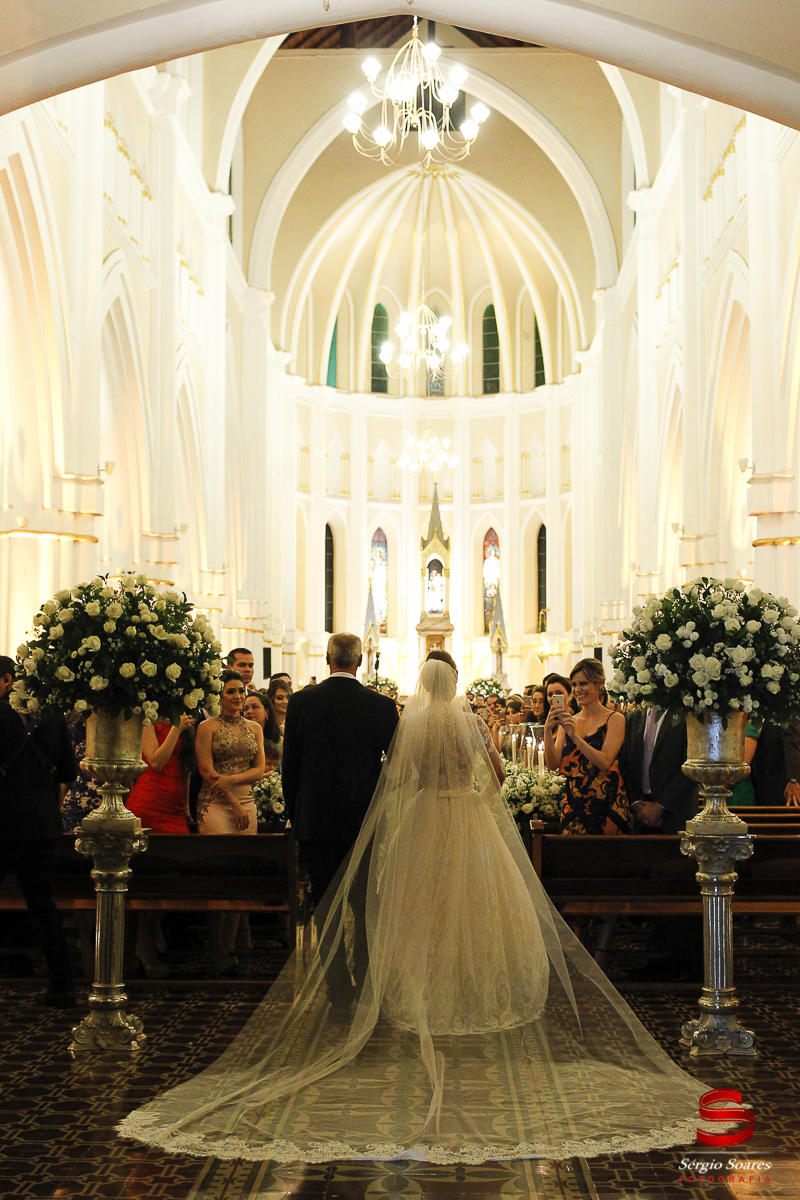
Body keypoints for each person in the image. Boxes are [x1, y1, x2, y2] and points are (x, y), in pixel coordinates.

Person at [118, 656, 710, 1164]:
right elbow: (499, 776)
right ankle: (474, 985)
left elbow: (396, 781)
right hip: (466, 818)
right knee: (473, 907)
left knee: (423, 906)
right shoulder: (472, 722)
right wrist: (472, 798)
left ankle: (421, 987)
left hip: (426, 820)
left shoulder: (416, 725)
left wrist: (417, 799)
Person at [282, 632, 398, 1006]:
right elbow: (396, 764)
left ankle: (336, 988)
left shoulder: (300, 702)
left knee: (325, 903)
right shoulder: (381, 706)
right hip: (364, 819)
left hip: (315, 821)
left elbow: (290, 769)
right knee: (364, 903)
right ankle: (365, 979)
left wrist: (295, 812)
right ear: (359, 662)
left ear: (327, 659)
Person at [0, 655, 79, 1008]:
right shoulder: (52, 715)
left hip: (3, 821)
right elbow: (67, 771)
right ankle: (62, 986)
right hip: (43, 822)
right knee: (44, 905)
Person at [619, 707, 702, 982]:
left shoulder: (685, 715)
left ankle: (687, 961)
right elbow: (625, 764)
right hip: (641, 810)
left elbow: (691, 765)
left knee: (678, 886)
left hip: (675, 812)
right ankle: (657, 958)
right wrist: (636, 804)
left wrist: (662, 805)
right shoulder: (633, 718)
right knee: (650, 885)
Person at [196, 670, 265, 975]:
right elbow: (207, 773)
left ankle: (230, 944)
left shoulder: (254, 728)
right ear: (219, 696)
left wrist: (235, 782)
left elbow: (260, 767)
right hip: (216, 803)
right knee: (218, 875)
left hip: (246, 801)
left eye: (241, 691)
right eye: (231, 692)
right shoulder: (206, 727)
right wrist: (233, 802)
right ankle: (216, 944)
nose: (238, 696)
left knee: (242, 877)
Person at [126, 713, 195, 977]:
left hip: (174, 805)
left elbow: (186, 766)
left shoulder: (183, 719)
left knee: (173, 876)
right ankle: (143, 945)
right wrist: (177, 728)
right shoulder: (147, 721)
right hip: (150, 802)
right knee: (147, 880)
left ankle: (152, 928)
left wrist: (186, 807)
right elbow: (155, 761)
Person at [545, 659, 629, 837]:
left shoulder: (615, 719)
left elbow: (605, 762)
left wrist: (574, 736)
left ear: (599, 685)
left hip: (607, 803)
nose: (577, 690)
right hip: (574, 805)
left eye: (583, 683)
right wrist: (546, 731)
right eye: (574, 685)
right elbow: (553, 765)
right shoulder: (569, 721)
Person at [265, 677, 291, 741]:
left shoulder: (295, 723)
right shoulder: (266, 725)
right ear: (271, 699)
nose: (285, 701)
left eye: (288, 697)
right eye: (280, 698)